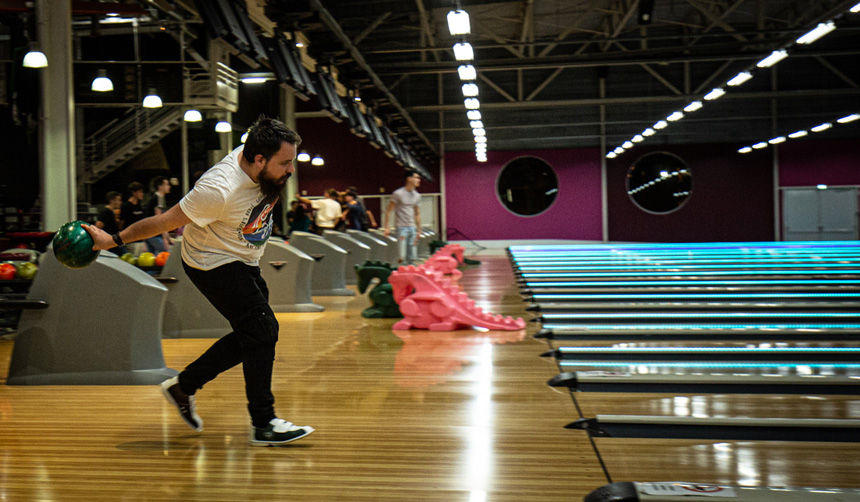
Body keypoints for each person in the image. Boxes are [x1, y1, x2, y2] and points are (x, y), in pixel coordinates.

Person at [83, 116, 314, 446]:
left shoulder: (259, 159)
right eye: (285, 163)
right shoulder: (217, 189)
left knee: (257, 334)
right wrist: (113, 240)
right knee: (262, 331)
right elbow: (164, 221)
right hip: (211, 262)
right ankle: (264, 423)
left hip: (244, 259)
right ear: (260, 159)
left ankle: (184, 386)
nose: (291, 170)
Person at [383, 169, 422, 264]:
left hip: (412, 227)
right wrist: (386, 227)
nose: (419, 180)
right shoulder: (398, 193)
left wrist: (419, 229)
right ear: (409, 179)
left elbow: (417, 213)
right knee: (402, 255)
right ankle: (400, 271)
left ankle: (411, 273)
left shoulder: (417, 195)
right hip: (401, 228)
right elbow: (388, 210)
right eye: (417, 177)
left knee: (412, 255)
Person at [143, 176, 174, 253]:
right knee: (166, 253)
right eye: (166, 184)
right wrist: (165, 237)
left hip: (148, 232)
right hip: (153, 233)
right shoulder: (159, 198)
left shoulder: (157, 197)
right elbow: (159, 218)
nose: (169, 186)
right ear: (160, 187)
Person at [95, 191, 127, 256]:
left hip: (115, 242)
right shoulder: (106, 213)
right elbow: (97, 227)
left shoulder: (112, 213)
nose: (120, 202)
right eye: (118, 200)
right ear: (112, 201)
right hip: (111, 242)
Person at [119, 182, 146, 254]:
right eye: (140, 192)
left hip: (140, 240)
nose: (142, 194)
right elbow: (122, 223)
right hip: (131, 241)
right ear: (134, 192)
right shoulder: (126, 206)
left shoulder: (140, 206)